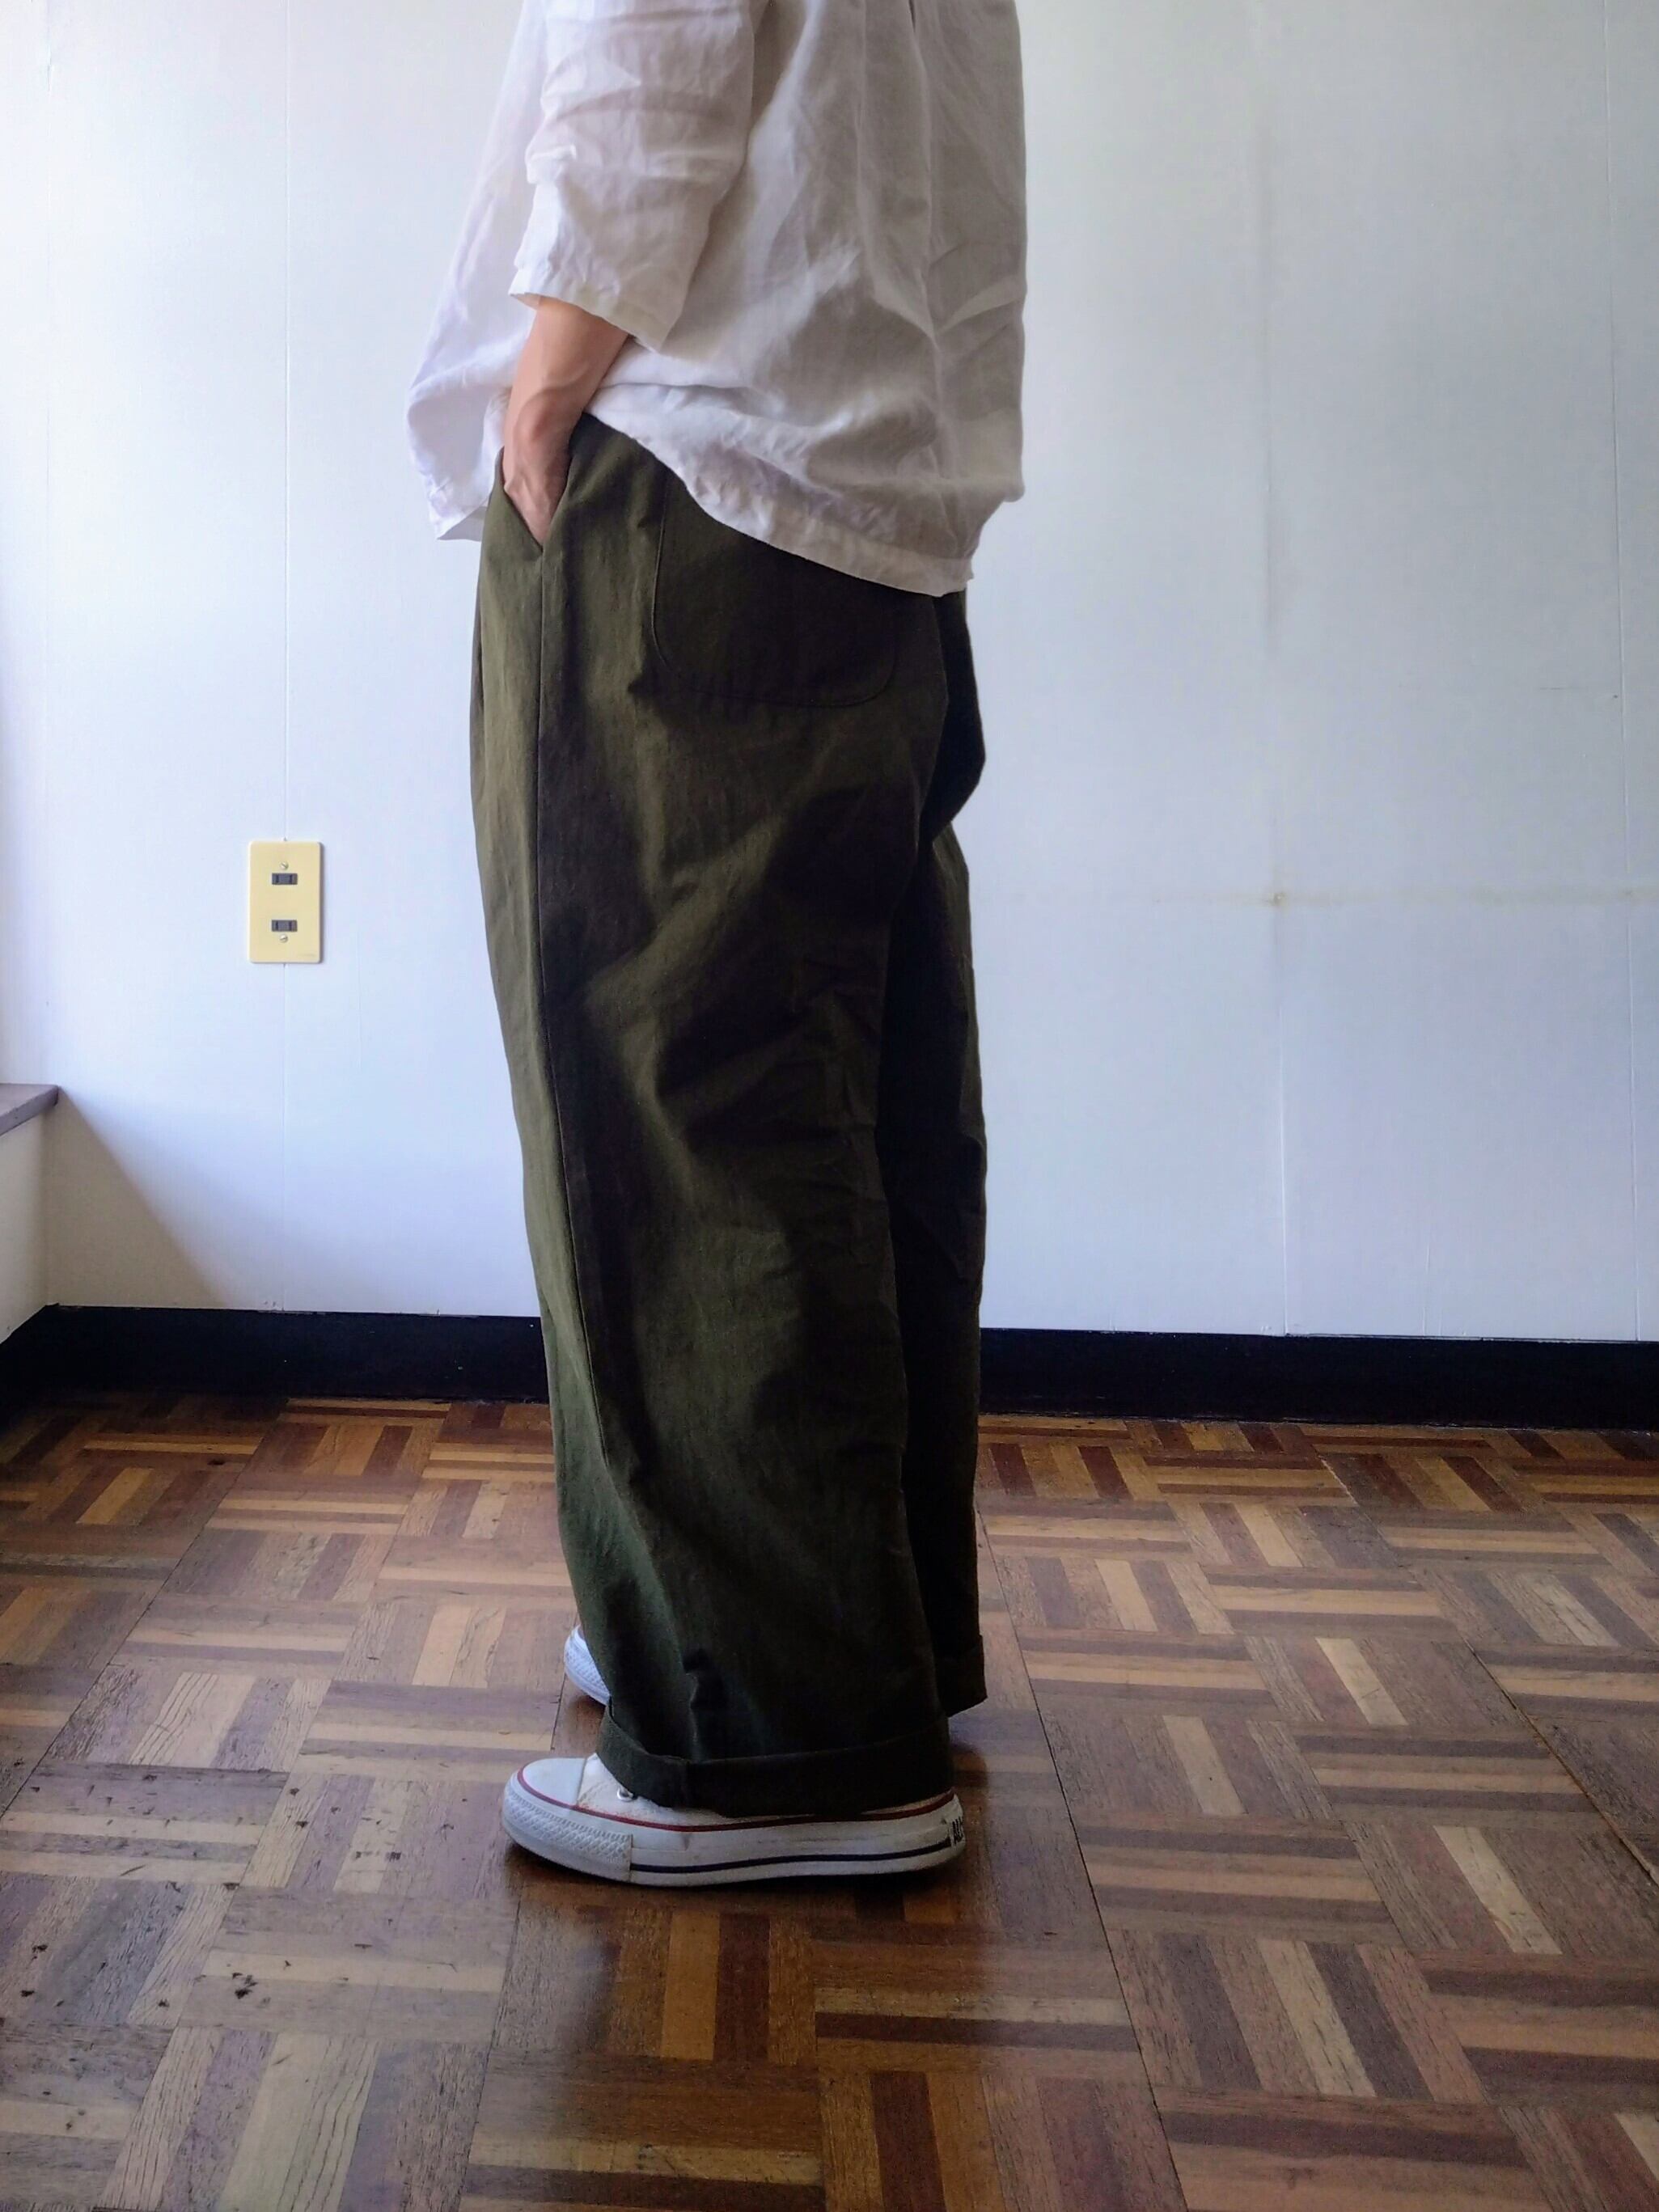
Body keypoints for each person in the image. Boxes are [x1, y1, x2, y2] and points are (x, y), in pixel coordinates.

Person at [406, 0, 1026, 1886]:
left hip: (694, 460)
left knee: (669, 1086)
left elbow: (645, 48)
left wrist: (547, 376)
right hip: (873, 473)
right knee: (851, 1090)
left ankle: (780, 1733)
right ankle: (833, 1633)